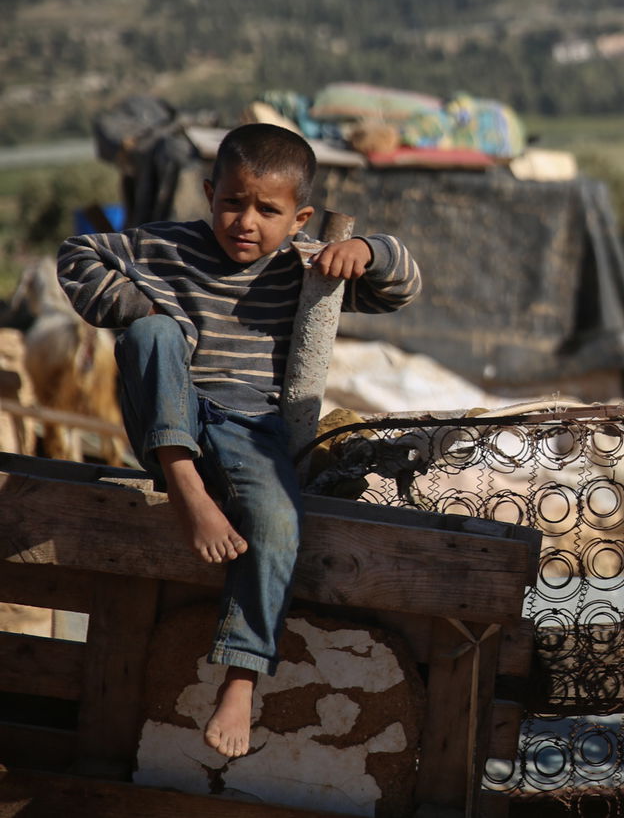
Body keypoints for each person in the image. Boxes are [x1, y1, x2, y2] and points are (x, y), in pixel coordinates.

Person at [58, 123, 421, 759]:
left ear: (300, 216)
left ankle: (242, 677)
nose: (245, 221)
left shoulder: (304, 264)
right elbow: (76, 253)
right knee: (153, 338)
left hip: (249, 423)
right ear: (209, 193)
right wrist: (134, 307)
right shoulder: (167, 245)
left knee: (279, 522)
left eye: (268, 209)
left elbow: (403, 286)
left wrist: (368, 249)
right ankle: (186, 488)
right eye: (231, 202)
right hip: (169, 414)